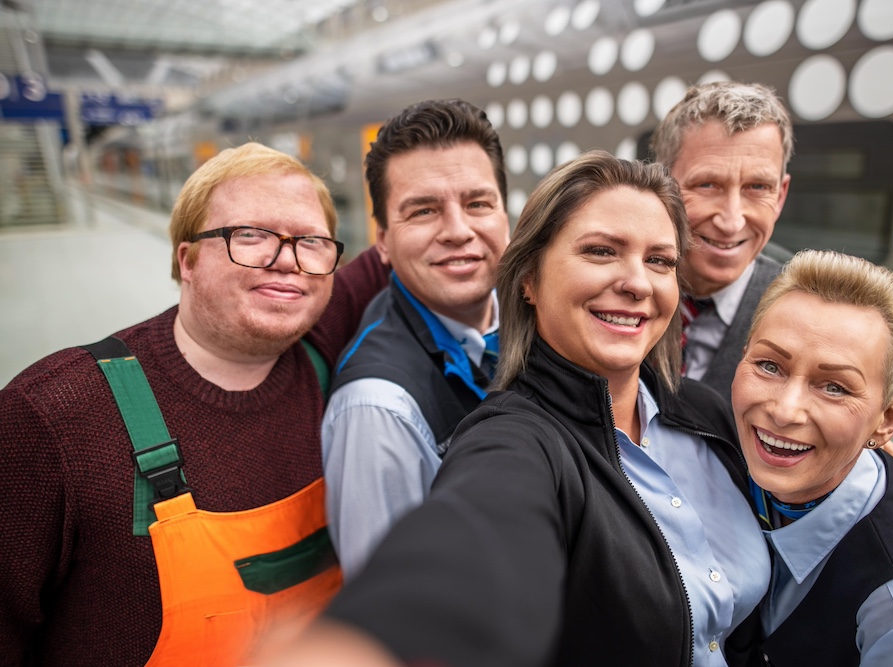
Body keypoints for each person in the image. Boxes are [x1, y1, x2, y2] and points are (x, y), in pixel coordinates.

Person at [286, 151, 770, 667]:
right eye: (602, 251)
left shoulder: (704, 413)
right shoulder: (515, 440)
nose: (638, 282)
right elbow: (484, 525)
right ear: (529, 281)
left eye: (659, 260)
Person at [0, 142, 390, 666]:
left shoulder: (321, 341)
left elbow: (415, 245)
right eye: (249, 235)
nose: (286, 262)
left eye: (312, 241)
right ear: (187, 259)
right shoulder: (53, 418)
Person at [731, 249, 893, 666]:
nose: (784, 410)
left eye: (834, 387)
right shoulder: (725, 452)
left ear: (886, 420)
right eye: (769, 365)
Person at [321, 99, 510, 579]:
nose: (458, 231)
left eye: (478, 204)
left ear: (505, 216)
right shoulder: (377, 411)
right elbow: (394, 611)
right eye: (423, 211)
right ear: (382, 240)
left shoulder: (532, 318)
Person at [650, 81, 792, 403]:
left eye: (757, 187)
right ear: (662, 183)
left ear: (780, 195)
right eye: (708, 184)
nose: (732, 222)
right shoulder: (611, 282)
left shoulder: (806, 313)